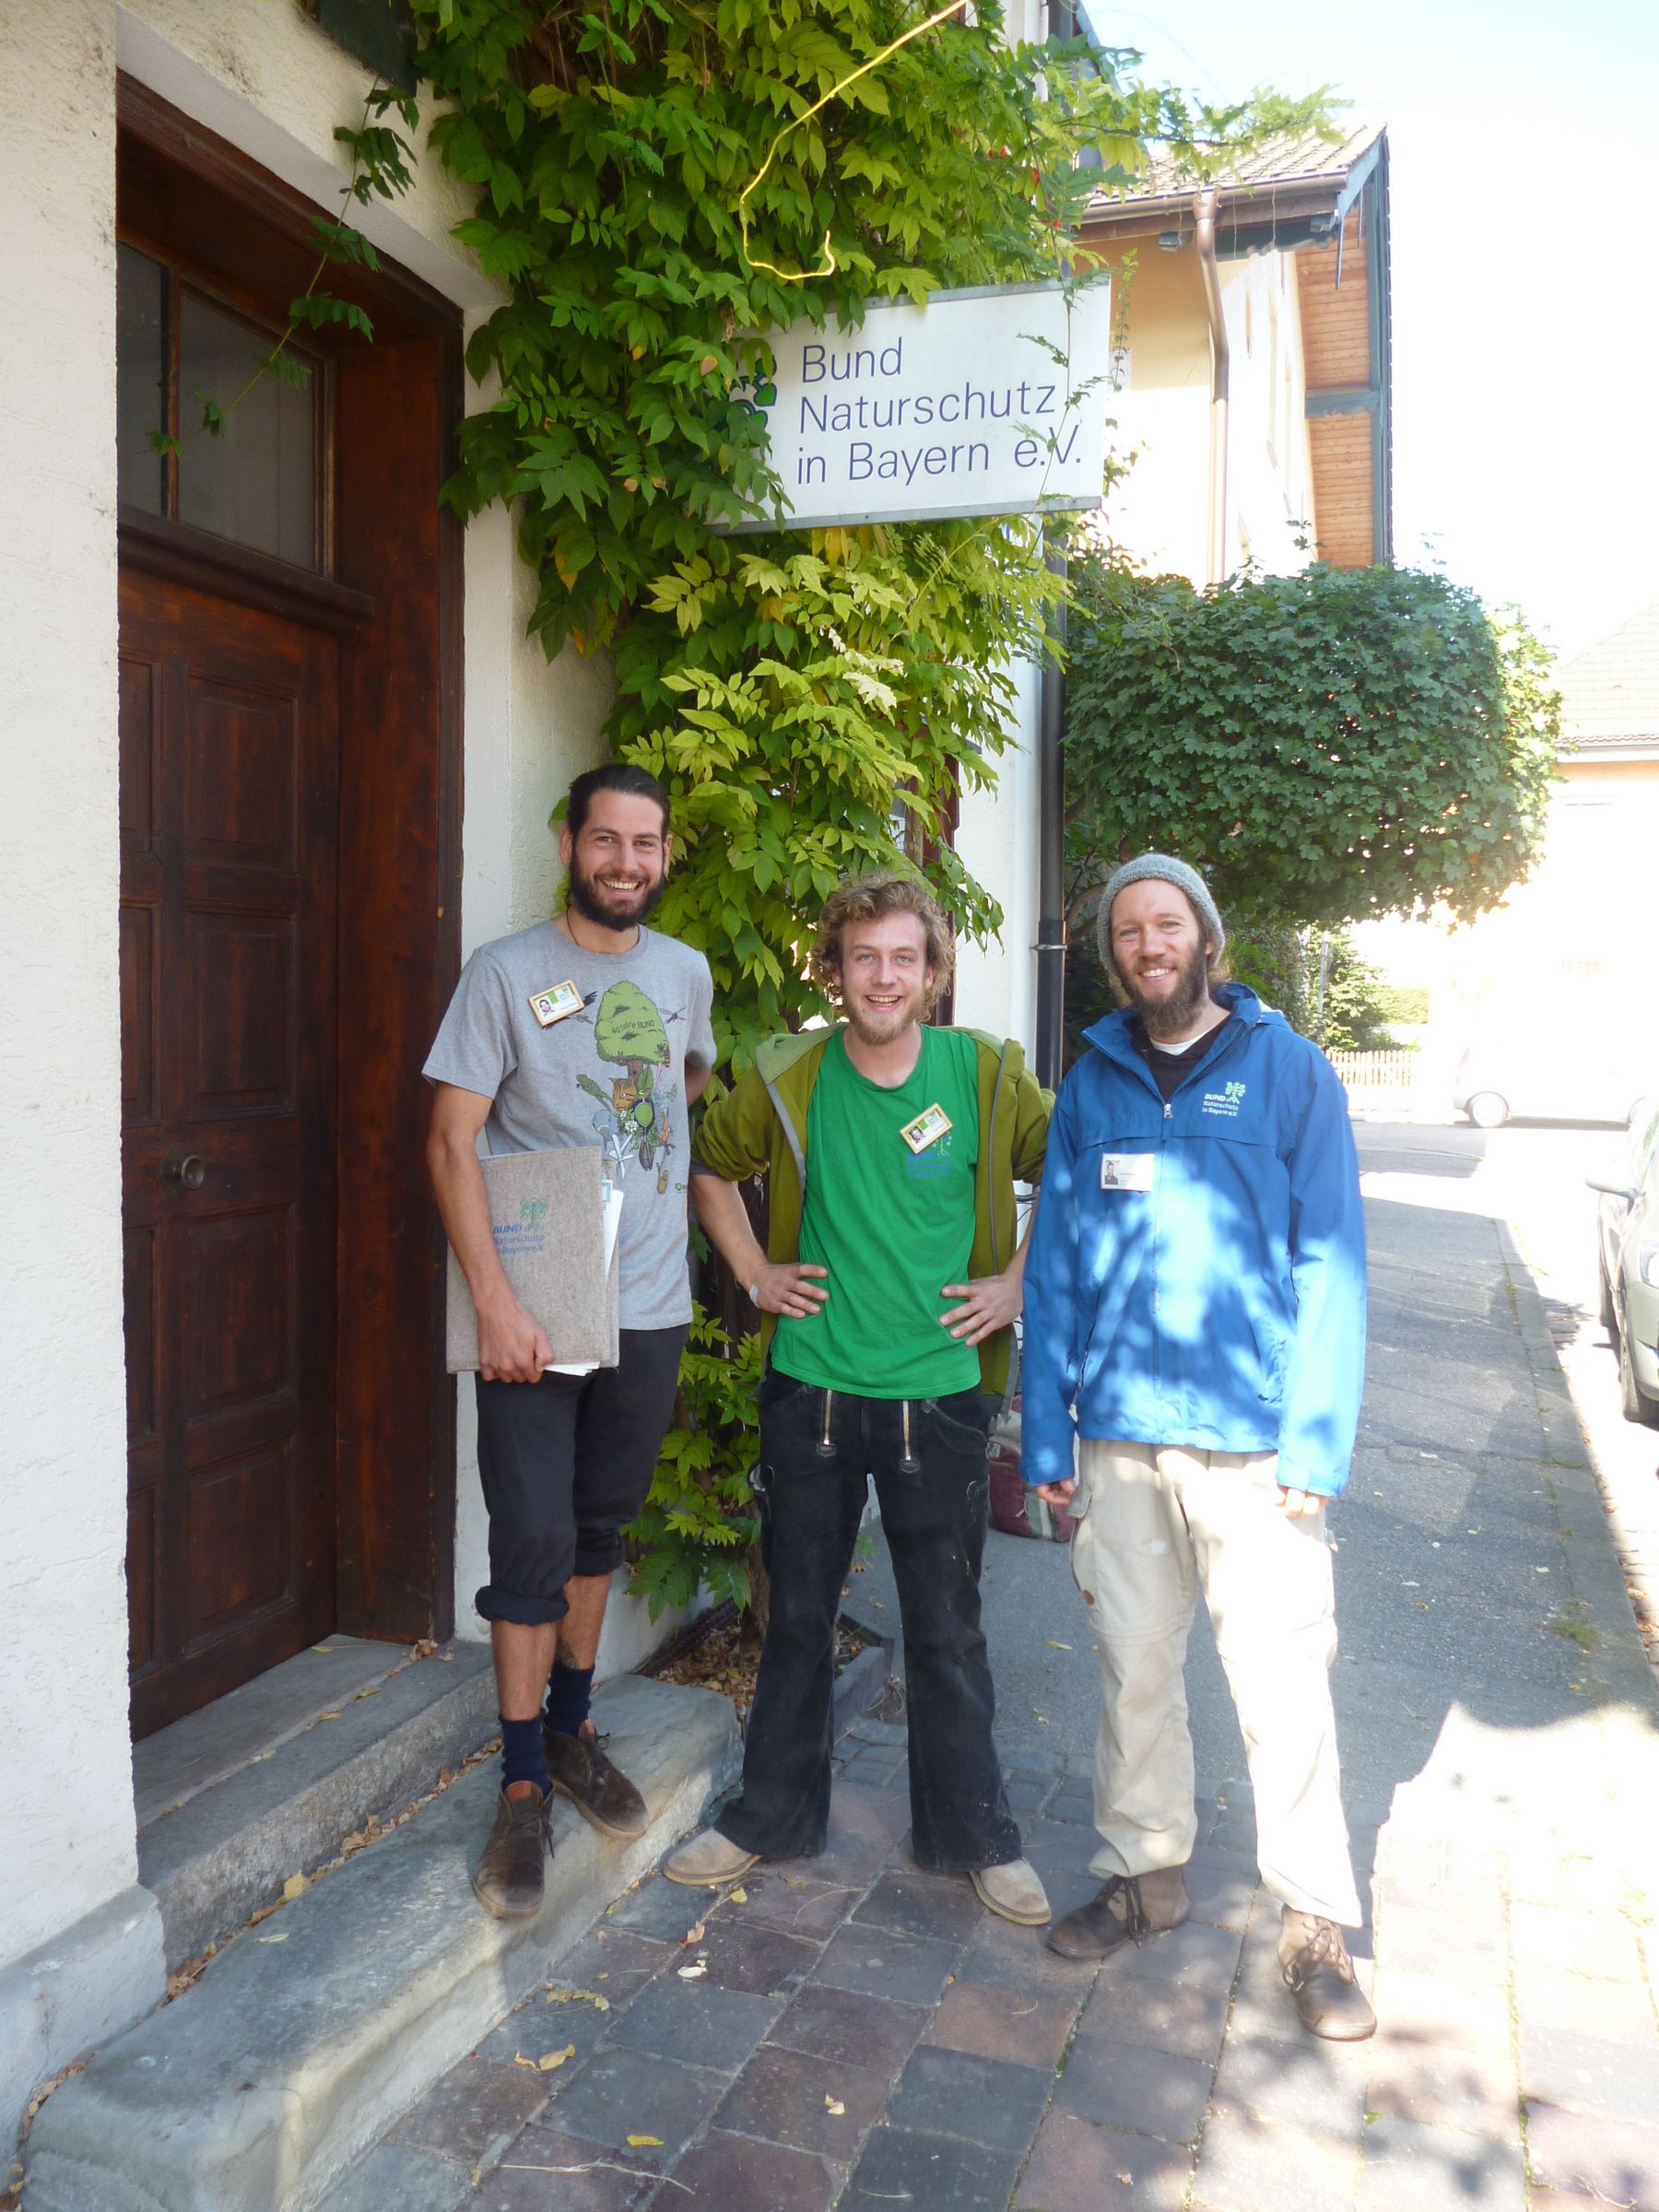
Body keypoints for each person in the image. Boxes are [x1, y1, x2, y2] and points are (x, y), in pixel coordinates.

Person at [1021, 853, 1374, 2040]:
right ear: (1114, 954)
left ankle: (1315, 1920)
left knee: (1284, 1688)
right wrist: (1043, 1433)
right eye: (1128, 930)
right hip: (1120, 1439)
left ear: (1205, 939)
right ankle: (1144, 1874)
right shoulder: (1092, 1082)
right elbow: (1056, 1267)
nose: (1147, 944)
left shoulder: (1291, 1074)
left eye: (1167, 923)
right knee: (1132, 1667)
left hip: (1257, 1449)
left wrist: (1316, 1441)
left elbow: (1332, 1263)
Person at [664, 872, 1053, 1925]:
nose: (883, 977)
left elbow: (1075, 1164)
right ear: (834, 972)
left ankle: (974, 1832)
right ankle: (770, 1818)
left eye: (904, 958)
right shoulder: (792, 1078)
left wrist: (1018, 1282)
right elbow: (705, 1165)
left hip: (943, 1398)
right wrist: (752, 1274)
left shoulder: (982, 1078)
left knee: (949, 1628)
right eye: (863, 958)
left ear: (933, 973)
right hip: (814, 1395)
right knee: (797, 1620)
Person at [425, 763, 714, 1919]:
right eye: (609, 842)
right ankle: (521, 1787)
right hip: (536, 1313)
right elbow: (451, 1143)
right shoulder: (503, 974)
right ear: (569, 844)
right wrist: (492, 1297)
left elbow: (679, 1099)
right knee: (532, 1539)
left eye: (647, 846)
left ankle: (575, 1723)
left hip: (648, 1309)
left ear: (663, 856)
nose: (628, 863)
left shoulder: (684, 973)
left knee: (599, 1529)